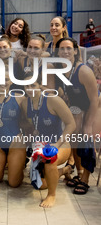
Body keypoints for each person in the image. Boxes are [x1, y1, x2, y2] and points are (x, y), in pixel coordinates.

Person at [55, 37, 101, 194]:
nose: (66, 51)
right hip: (78, 108)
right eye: (62, 48)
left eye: (69, 48)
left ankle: (86, 179)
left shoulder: (83, 71)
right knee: (74, 137)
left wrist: (88, 124)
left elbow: (94, 100)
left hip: (95, 106)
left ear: (75, 50)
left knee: (86, 139)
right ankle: (79, 173)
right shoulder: (61, 69)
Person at [22, 72, 75, 207]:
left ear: (40, 85)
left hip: (60, 144)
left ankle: (52, 195)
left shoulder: (52, 100)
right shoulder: (25, 103)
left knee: (49, 155)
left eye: (33, 85)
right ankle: (64, 171)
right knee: (40, 185)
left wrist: (56, 145)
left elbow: (71, 124)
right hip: (39, 145)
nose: (29, 89)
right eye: (26, 86)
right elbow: (30, 123)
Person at [0, 73, 26, 188]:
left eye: (6, 79)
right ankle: (10, 165)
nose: (3, 82)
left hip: (15, 142)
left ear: (12, 82)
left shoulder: (20, 98)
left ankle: (18, 169)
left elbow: (29, 121)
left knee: (13, 183)